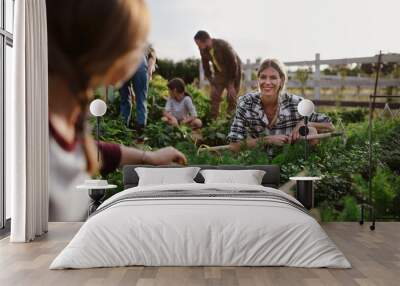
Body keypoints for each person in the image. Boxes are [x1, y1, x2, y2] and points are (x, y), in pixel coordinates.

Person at [46, 0, 186, 222]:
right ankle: (134, 125)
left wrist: (148, 157)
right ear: (111, 45)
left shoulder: (67, 115)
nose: (141, 49)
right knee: (129, 101)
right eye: (137, 42)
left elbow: (88, 151)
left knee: (136, 101)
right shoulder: (44, 135)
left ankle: (138, 127)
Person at [228, 58, 334, 152]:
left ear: (281, 80)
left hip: (290, 159)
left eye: (273, 78)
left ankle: (307, 167)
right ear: (258, 79)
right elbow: (233, 146)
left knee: (311, 131)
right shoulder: (246, 103)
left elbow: (330, 126)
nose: (267, 82)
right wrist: (267, 140)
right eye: (263, 77)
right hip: (258, 161)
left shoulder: (296, 104)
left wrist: (305, 123)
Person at [194, 30, 242, 119]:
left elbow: (233, 63)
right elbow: (206, 66)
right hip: (219, 73)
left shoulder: (223, 45)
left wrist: (231, 84)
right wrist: (212, 82)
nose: (198, 46)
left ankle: (229, 120)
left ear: (206, 40)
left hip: (233, 72)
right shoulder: (203, 50)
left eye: (198, 44)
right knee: (214, 95)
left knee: (231, 97)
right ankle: (213, 120)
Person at [119, 44, 156, 138]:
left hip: (127, 64)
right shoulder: (140, 40)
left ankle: (123, 128)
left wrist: (150, 69)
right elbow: (152, 55)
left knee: (125, 99)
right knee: (141, 100)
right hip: (133, 64)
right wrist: (150, 69)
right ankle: (140, 132)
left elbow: (152, 55)